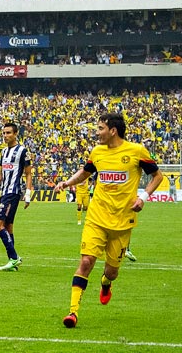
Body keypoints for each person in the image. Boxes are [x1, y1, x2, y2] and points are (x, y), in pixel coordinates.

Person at [54, 113, 163, 328]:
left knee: (112, 272)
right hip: (96, 217)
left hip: (122, 221)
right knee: (85, 262)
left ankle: (105, 283)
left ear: (113, 130)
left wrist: (143, 197)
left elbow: (158, 176)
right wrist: (67, 183)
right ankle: (72, 312)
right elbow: (85, 173)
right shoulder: (97, 152)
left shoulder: (136, 151)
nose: (97, 132)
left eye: (100, 128)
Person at [0, 122, 32, 272]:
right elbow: (1, 175)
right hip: (5, 192)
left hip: (12, 193)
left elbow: (28, 173)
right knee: (8, 227)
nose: (5, 136)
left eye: (8, 133)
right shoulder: (3, 153)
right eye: (4, 133)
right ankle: (12, 262)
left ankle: (14, 258)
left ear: (15, 134)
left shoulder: (22, 151)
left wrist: (28, 194)